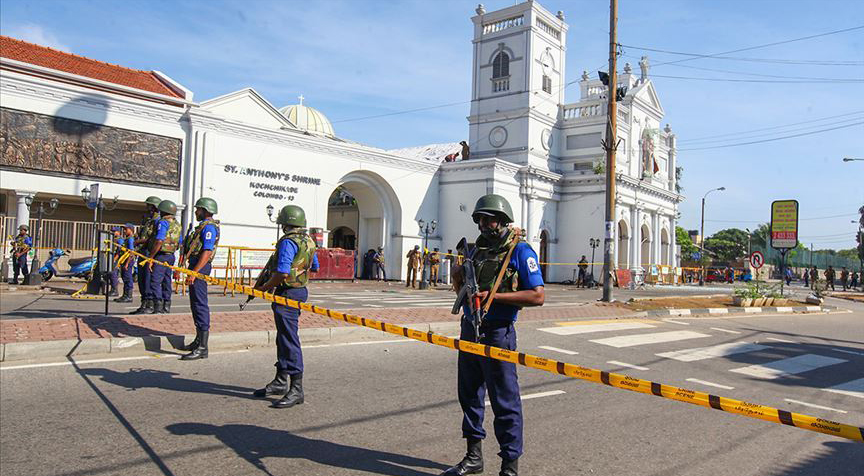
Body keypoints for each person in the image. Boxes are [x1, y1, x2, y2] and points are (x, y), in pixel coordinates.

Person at [441, 194, 545, 476]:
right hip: (470, 329)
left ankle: (509, 467)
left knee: (504, 401)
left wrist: (494, 297)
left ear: (503, 220)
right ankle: (473, 456)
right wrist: (459, 275)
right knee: (469, 395)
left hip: (498, 332)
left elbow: (537, 296)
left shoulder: (520, 251)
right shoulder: (477, 251)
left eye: (489, 219)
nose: (484, 225)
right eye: (480, 220)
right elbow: (461, 292)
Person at [253, 204, 319, 408]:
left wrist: (265, 287)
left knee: (289, 339)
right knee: (283, 337)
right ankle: (281, 381)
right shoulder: (308, 241)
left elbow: (281, 272)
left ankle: (296, 388)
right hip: (299, 291)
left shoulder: (288, 242)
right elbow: (314, 267)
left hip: (287, 293)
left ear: (285, 224)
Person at [175, 197, 220, 360]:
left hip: (200, 267)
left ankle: (203, 347)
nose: (195, 212)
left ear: (205, 210)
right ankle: (198, 340)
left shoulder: (209, 228)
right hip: (195, 265)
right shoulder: (202, 227)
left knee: (200, 304)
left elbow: (207, 252)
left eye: (198, 209)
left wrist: (194, 272)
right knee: (195, 303)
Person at [146, 200, 182, 314]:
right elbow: (180, 242)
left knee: (155, 281)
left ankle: (158, 305)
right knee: (167, 280)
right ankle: (167, 305)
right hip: (171, 256)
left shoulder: (163, 223)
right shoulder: (177, 225)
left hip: (161, 255)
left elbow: (159, 240)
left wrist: (151, 257)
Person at [130, 196, 162, 314]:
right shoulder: (149, 220)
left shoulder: (158, 220)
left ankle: (149, 304)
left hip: (149, 251)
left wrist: (139, 241)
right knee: (142, 279)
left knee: (148, 279)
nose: (147, 207)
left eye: (149, 205)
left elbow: (153, 238)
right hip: (143, 251)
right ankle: (144, 303)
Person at [114, 224, 136, 303]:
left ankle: (128, 296)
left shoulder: (130, 239)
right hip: (124, 260)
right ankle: (125, 295)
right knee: (124, 277)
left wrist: (127, 263)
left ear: (131, 229)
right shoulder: (127, 239)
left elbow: (131, 253)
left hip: (128, 261)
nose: (124, 231)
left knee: (127, 277)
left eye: (126, 229)